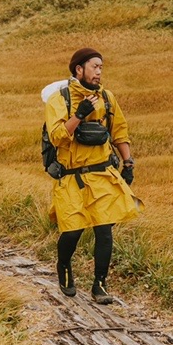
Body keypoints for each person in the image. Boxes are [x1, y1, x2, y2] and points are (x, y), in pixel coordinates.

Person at [44, 47, 140, 303]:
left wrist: (127, 162)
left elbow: (119, 130)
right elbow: (57, 137)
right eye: (94, 66)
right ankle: (64, 268)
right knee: (72, 231)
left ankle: (100, 284)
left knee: (104, 230)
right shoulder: (59, 99)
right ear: (79, 69)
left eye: (101, 67)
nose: (99, 72)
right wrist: (80, 114)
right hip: (71, 177)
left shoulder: (107, 98)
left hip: (102, 175)